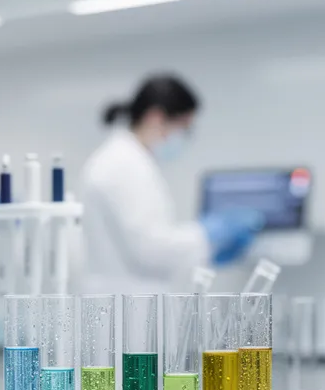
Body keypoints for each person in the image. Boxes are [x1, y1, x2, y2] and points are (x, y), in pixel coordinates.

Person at [80, 74, 259, 295]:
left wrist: (206, 249)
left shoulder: (131, 160)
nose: (184, 137)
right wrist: (206, 235)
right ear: (155, 118)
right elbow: (149, 249)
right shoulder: (122, 164)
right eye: (184, 127)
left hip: (128, 303)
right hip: (124, 307)